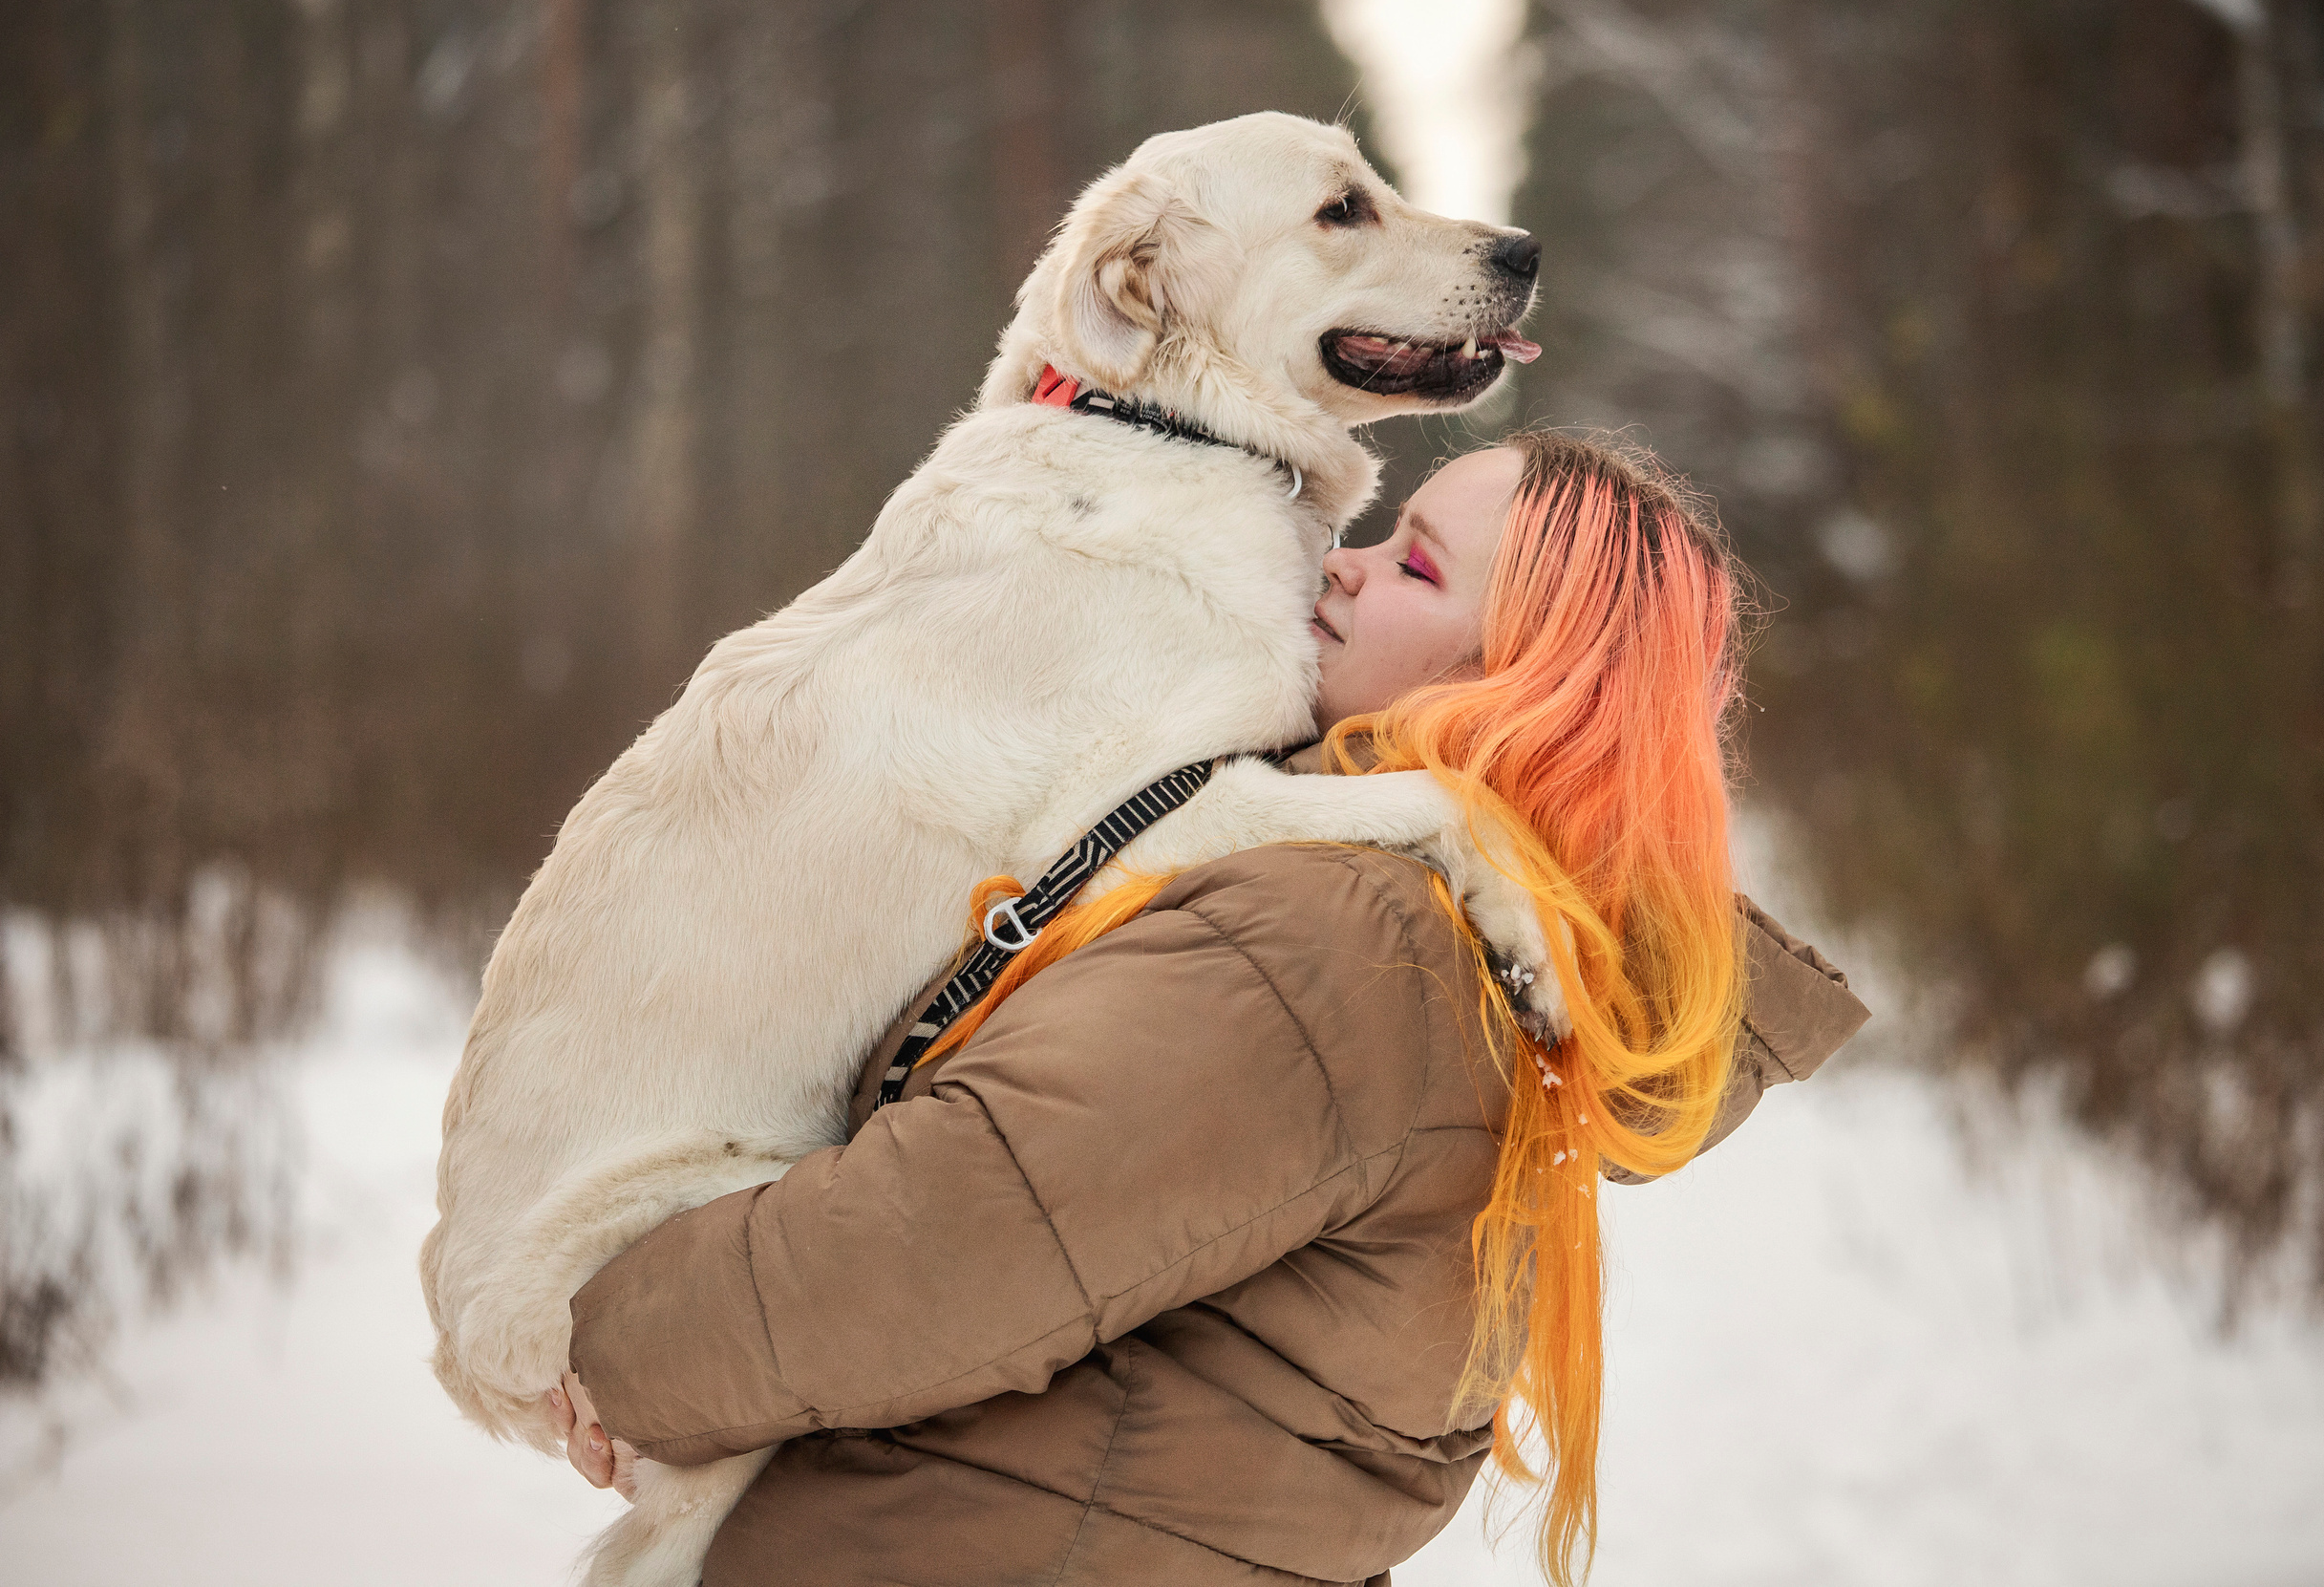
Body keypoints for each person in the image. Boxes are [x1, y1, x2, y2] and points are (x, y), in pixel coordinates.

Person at [551, 431, 1868, 1587]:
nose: (1341, 563)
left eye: (1413, 566)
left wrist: (602, 1344)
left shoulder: (1344, 947)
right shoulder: (1459, 951)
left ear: (1521, 684)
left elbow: (943, 1241)